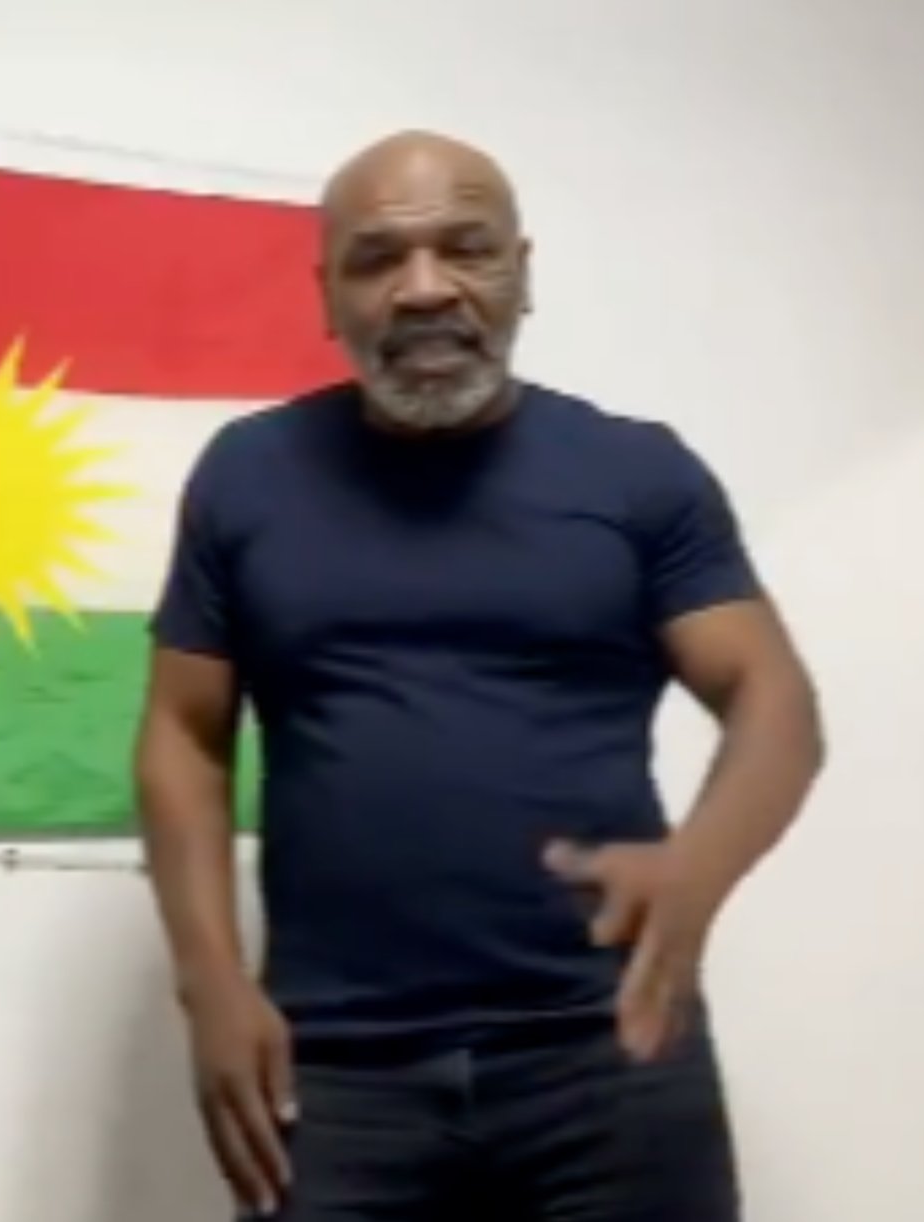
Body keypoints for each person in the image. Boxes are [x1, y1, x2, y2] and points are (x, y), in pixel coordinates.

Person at [133, 129, 824, 1222]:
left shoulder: (639, 474)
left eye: (466, 248)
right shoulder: (247, 475)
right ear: (327, 295)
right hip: (335, 1070)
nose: (424, 289)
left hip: (608, 1050)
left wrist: (699, 865)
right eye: (377, 259)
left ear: (521, 272)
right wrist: (209, 982)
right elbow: (184, 731)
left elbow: (772, 698)